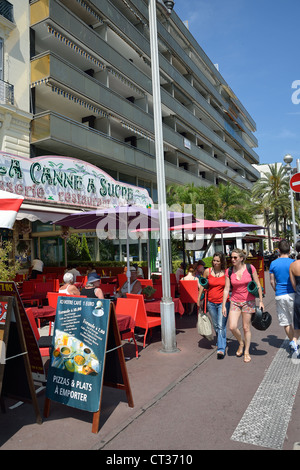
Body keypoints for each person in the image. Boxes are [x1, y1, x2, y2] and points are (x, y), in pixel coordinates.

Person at [222, 248, 264, 363]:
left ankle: (246, 351)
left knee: (246, 328)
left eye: (235, 257)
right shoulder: (229, 271)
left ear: (241, 258)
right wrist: (223, 305)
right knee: (232, 327)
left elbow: (258, 284)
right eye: (231, 257)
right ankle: (241, 342)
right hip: (235, 301)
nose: (233, 259)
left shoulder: (250, 268)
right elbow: (226, 289)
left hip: (248, 301)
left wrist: (260, 301)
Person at [198, 252, 230, 359]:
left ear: (222, 262)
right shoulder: (208, 271)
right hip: (211, 302)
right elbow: (202, 285)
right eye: (214, 260)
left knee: (221, 325)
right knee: (216, 325)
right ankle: (222, 340)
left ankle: (221, 348)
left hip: (223, 302)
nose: (215, 263)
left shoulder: (226, 273)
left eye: (217, 261)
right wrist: (199, 299)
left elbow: (228, 288)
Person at [269, 239, 296, 353]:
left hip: (280, 294)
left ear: (278, 250)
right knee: (296, 320)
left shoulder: (273, 263)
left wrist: (276, 289)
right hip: (293, 294)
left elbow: (271, 281)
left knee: (286, 322)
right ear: (289, 250)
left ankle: (294, 343)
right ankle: (295, 340)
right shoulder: (293, 262)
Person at [289, 240, 300, 355]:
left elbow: (293, 284)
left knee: (297, 324)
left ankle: (294, 341)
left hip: (298, 297)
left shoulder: (293, 265)